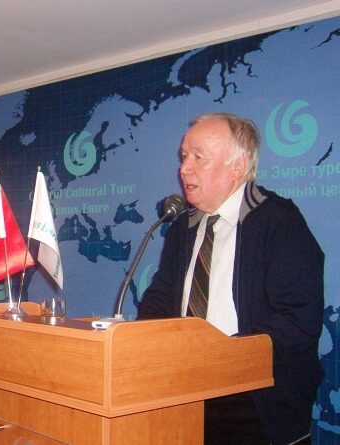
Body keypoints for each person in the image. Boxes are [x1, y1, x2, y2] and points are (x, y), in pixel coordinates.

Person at [137, 112, 324, 445]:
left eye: (198, 157)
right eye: (184, 156)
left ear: (238, 166)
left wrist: (227, 358)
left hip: (255, 402)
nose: (184, 169)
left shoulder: (279, 221)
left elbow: (298, 319)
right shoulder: (182, 228)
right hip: (184, 391)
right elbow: (159, 299)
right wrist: (143, 345)